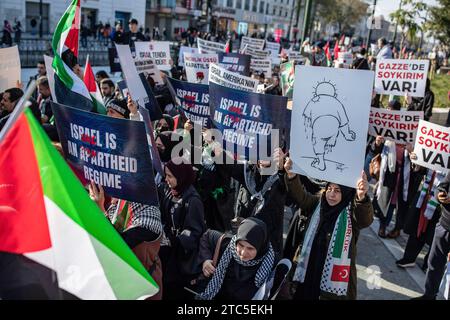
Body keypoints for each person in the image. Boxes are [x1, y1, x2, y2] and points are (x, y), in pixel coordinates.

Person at [284, 158, 373, 300]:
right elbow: (301, 197)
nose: (331, 194)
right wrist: (291, 175)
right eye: (329, 189)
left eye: (337, 191)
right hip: (309, 268)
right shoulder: (317, 204)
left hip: (332, 278)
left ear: (346, 193)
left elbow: (365, 220)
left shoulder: (351, 213)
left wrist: (361, 196)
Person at [158, 158, 206, 300]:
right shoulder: (169, 191)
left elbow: (194, 231)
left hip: (180, 257)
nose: (166, 179)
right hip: (167, 251)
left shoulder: (193, 200)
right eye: (165, 175)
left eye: (170, 176)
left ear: (181, 177)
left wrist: (174, 240)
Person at [195, 217, 275, 300]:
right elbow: (207, 236)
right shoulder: (228, 244)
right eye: (241, 245)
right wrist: (206, 260)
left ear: (260, 248)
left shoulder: (270, 262)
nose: (243, 253)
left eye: (250, 248)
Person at [412, 173, 450, 300]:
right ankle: (429, 295)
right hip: (444, 224)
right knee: (433, 262)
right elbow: (441, 187)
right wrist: (440, 194)